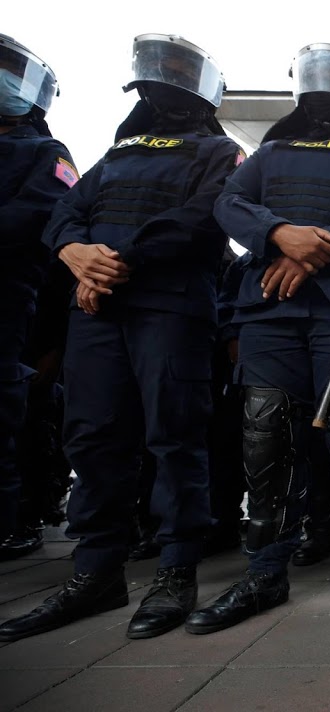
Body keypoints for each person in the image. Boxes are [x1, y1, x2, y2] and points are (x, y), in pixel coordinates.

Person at [0, 34, 241, 643]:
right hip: (97, 308)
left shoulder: (220, 150)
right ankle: (96, 572)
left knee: (174, 436)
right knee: (93, 437)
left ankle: (176, 568)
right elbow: (67, 211)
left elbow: (200, 217)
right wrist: (74, 252)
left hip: (168, 306)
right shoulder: (119, 151)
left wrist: (112, 260)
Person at [187, 43, 330, 636]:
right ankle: (264, 573)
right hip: (271, 310)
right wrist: (280, 232)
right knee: (264, 436)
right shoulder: (270, 153)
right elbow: (228, 203)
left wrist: (313, 248)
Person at [0, 34, 76, 559]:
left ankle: (16, 518)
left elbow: (34, 217)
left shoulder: (46, 153)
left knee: (12, 415)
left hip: (13, 302)